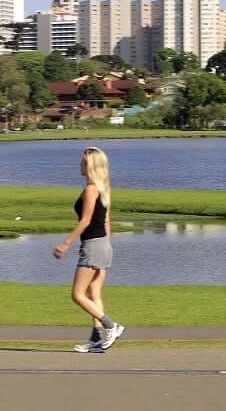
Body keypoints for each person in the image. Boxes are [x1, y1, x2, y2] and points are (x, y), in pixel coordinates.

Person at [53, 147, 125, 353]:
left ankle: (112, 326)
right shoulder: (104, 188)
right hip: (103, 244)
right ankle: (97, 339)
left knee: (77, 295)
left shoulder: (91, 190)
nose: (80, 165)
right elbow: (106, 220)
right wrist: (107, 245)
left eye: (83, 162)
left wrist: (65, 243)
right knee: (93, 292)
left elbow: (85, 221)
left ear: (90, 166)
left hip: (94, 245)